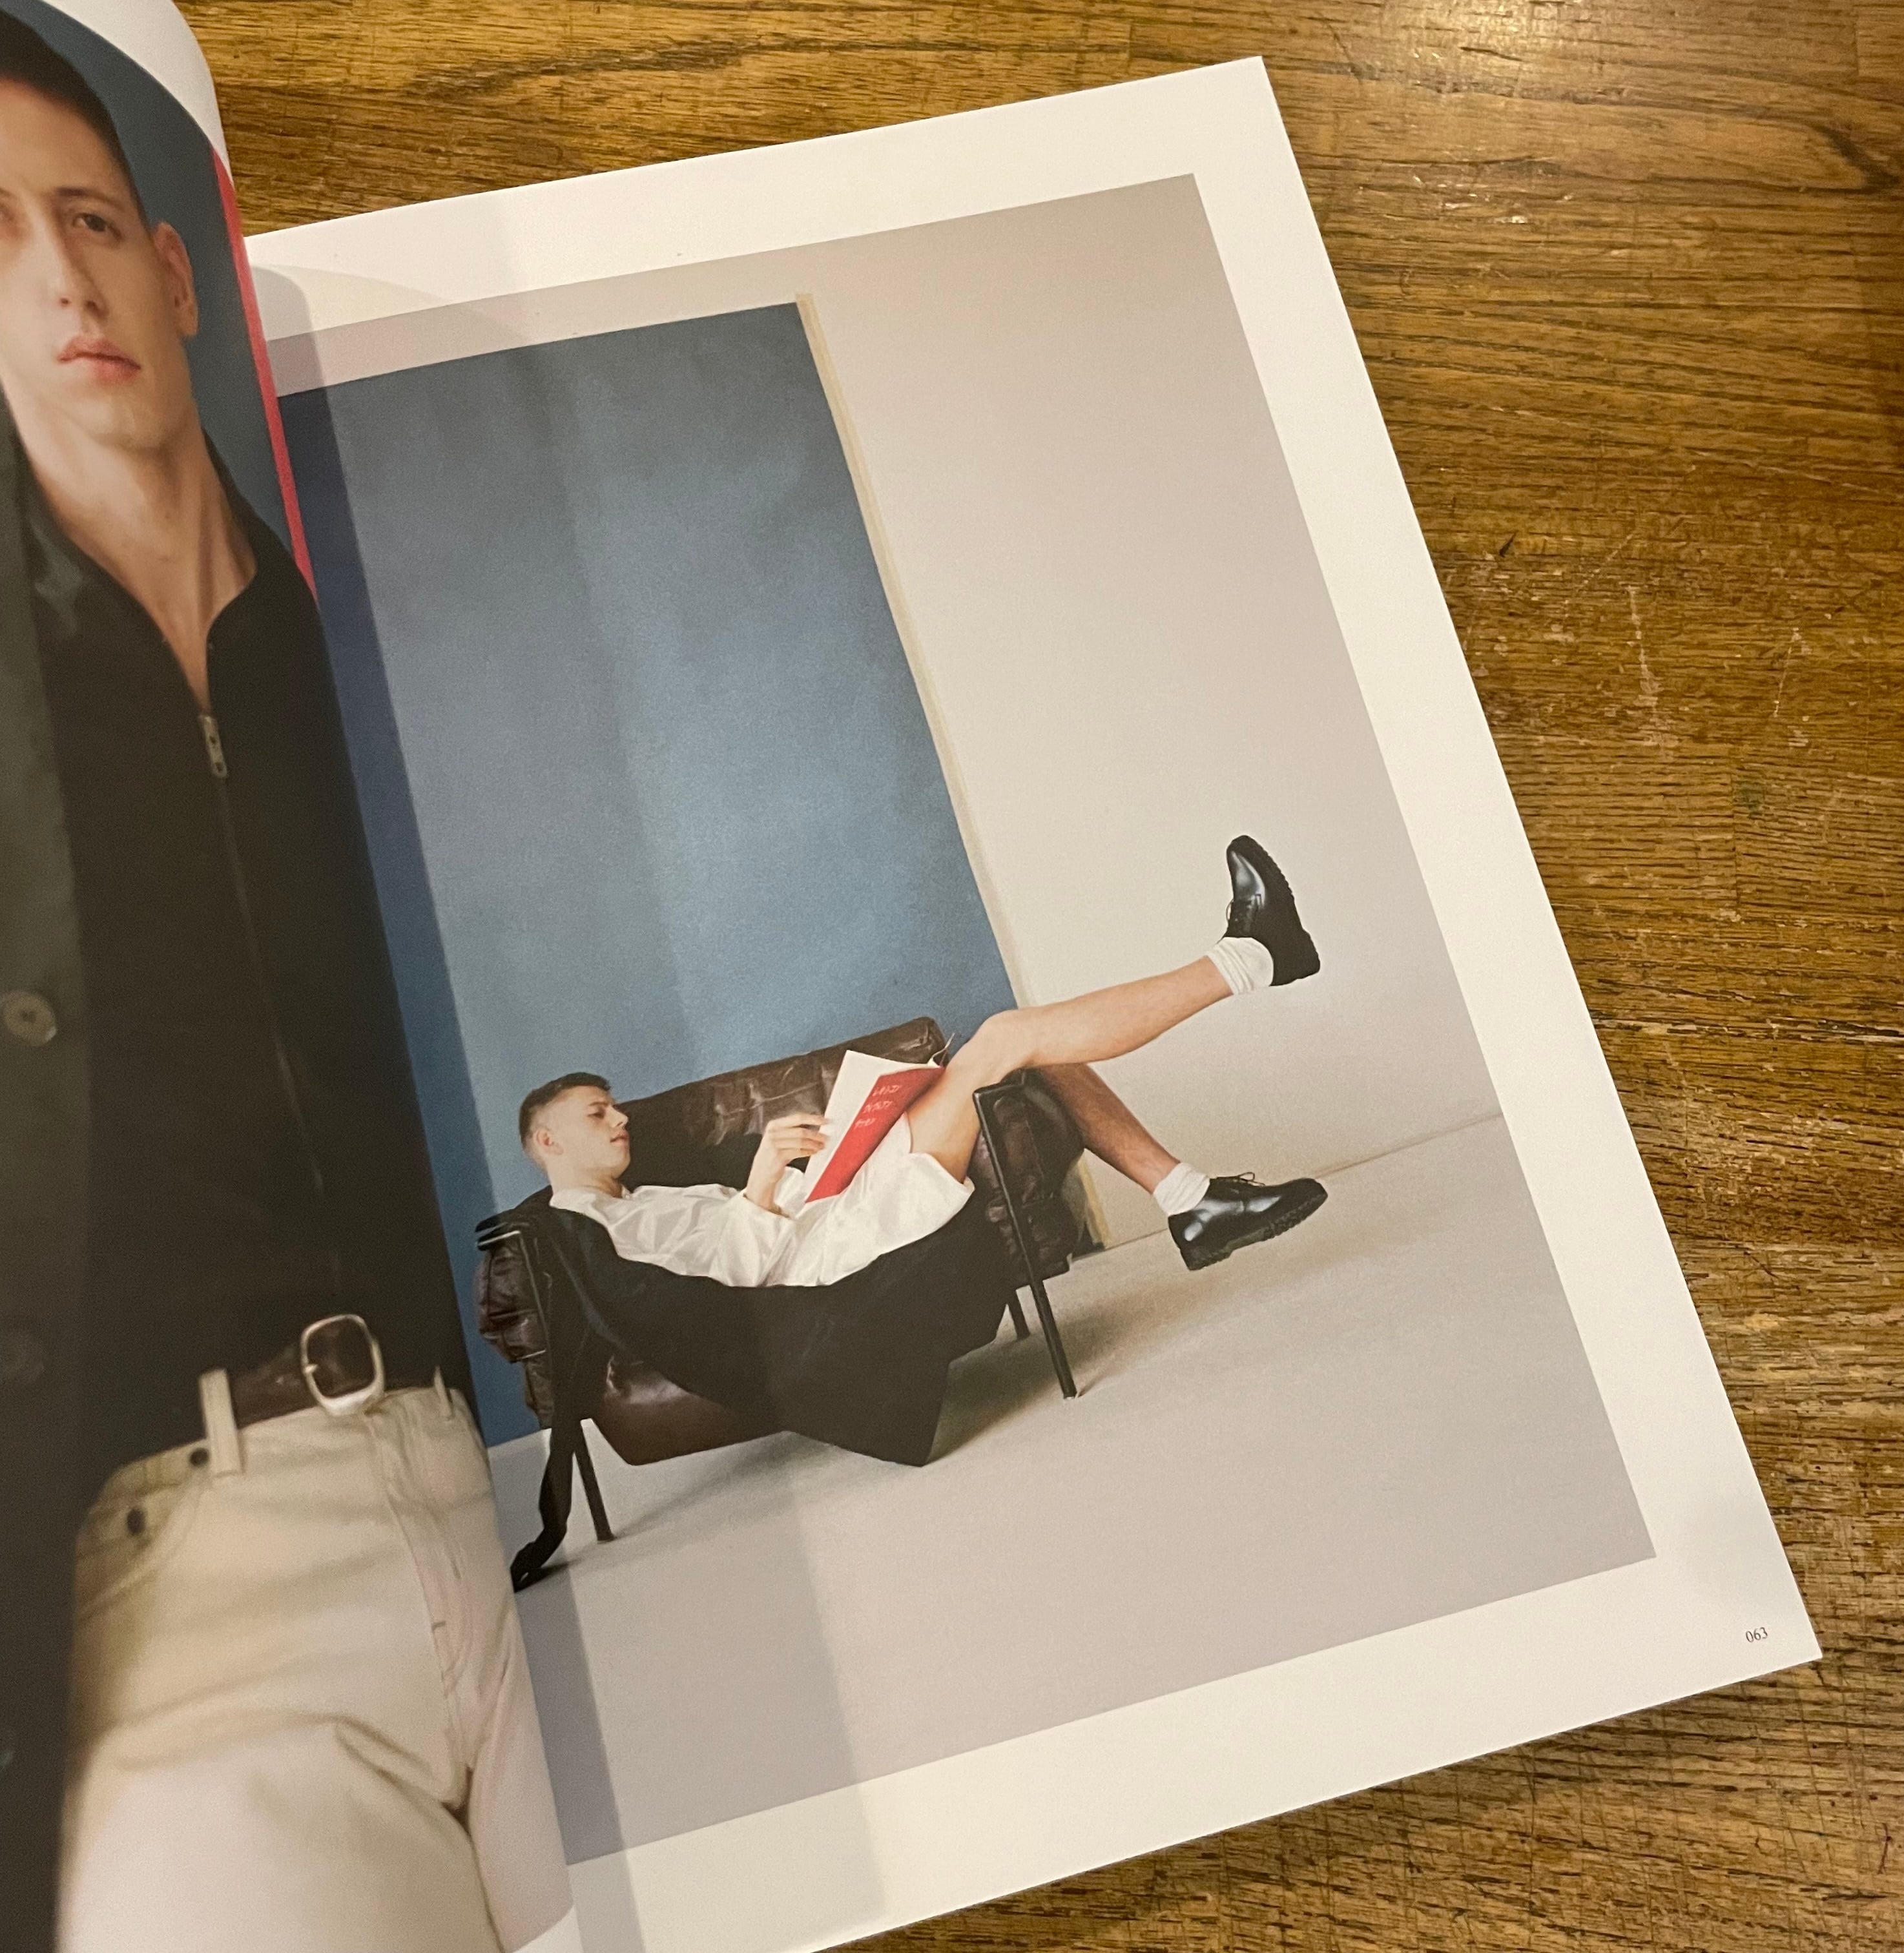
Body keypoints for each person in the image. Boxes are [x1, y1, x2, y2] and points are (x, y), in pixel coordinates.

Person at [0, 18, 570, 1952]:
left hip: (502, 1492)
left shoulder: (358, 620)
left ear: (178, 271)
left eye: (90, 219)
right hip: (191, 1610)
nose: (61, 279)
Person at [523, 835, 1330, 1286]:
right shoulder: (589, 1235)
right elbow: (735, 1282)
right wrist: (765, 1178)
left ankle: (1194, 1205)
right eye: (597, 1113)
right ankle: (1254, 957)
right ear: (547, 1141)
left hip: (834, 1204)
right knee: (1006, 1037)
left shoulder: (635, 1204)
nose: (620, 1117)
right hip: (839, 1241)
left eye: (612, 1103)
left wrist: (816, 1161)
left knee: (1027, 1047)